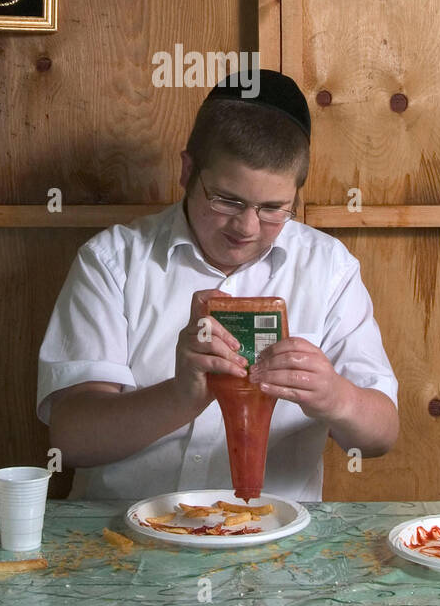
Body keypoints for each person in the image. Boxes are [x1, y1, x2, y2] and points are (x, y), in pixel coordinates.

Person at [37, 70, 398, 500]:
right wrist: (179, 396)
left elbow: (380, 436)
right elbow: (70, 440)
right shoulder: (114, 260)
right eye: (227, 200)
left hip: (270, 540)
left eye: (273, 208)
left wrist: (337, 397)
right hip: (125, 536)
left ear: (296, 196)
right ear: (188, 171)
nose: (246, 227)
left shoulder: (329, 267)